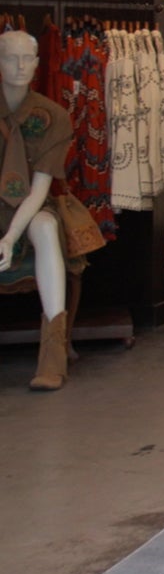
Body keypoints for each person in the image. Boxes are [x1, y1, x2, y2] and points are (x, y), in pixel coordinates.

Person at [0, 30, 74, 391]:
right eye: (10, 58)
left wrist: (10, 236)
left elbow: (40, 187)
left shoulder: (52, 117)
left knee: (45, 227)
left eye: (26, 58)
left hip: (30, 207)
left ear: (37, 63)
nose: (19, 66)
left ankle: (53, 355)